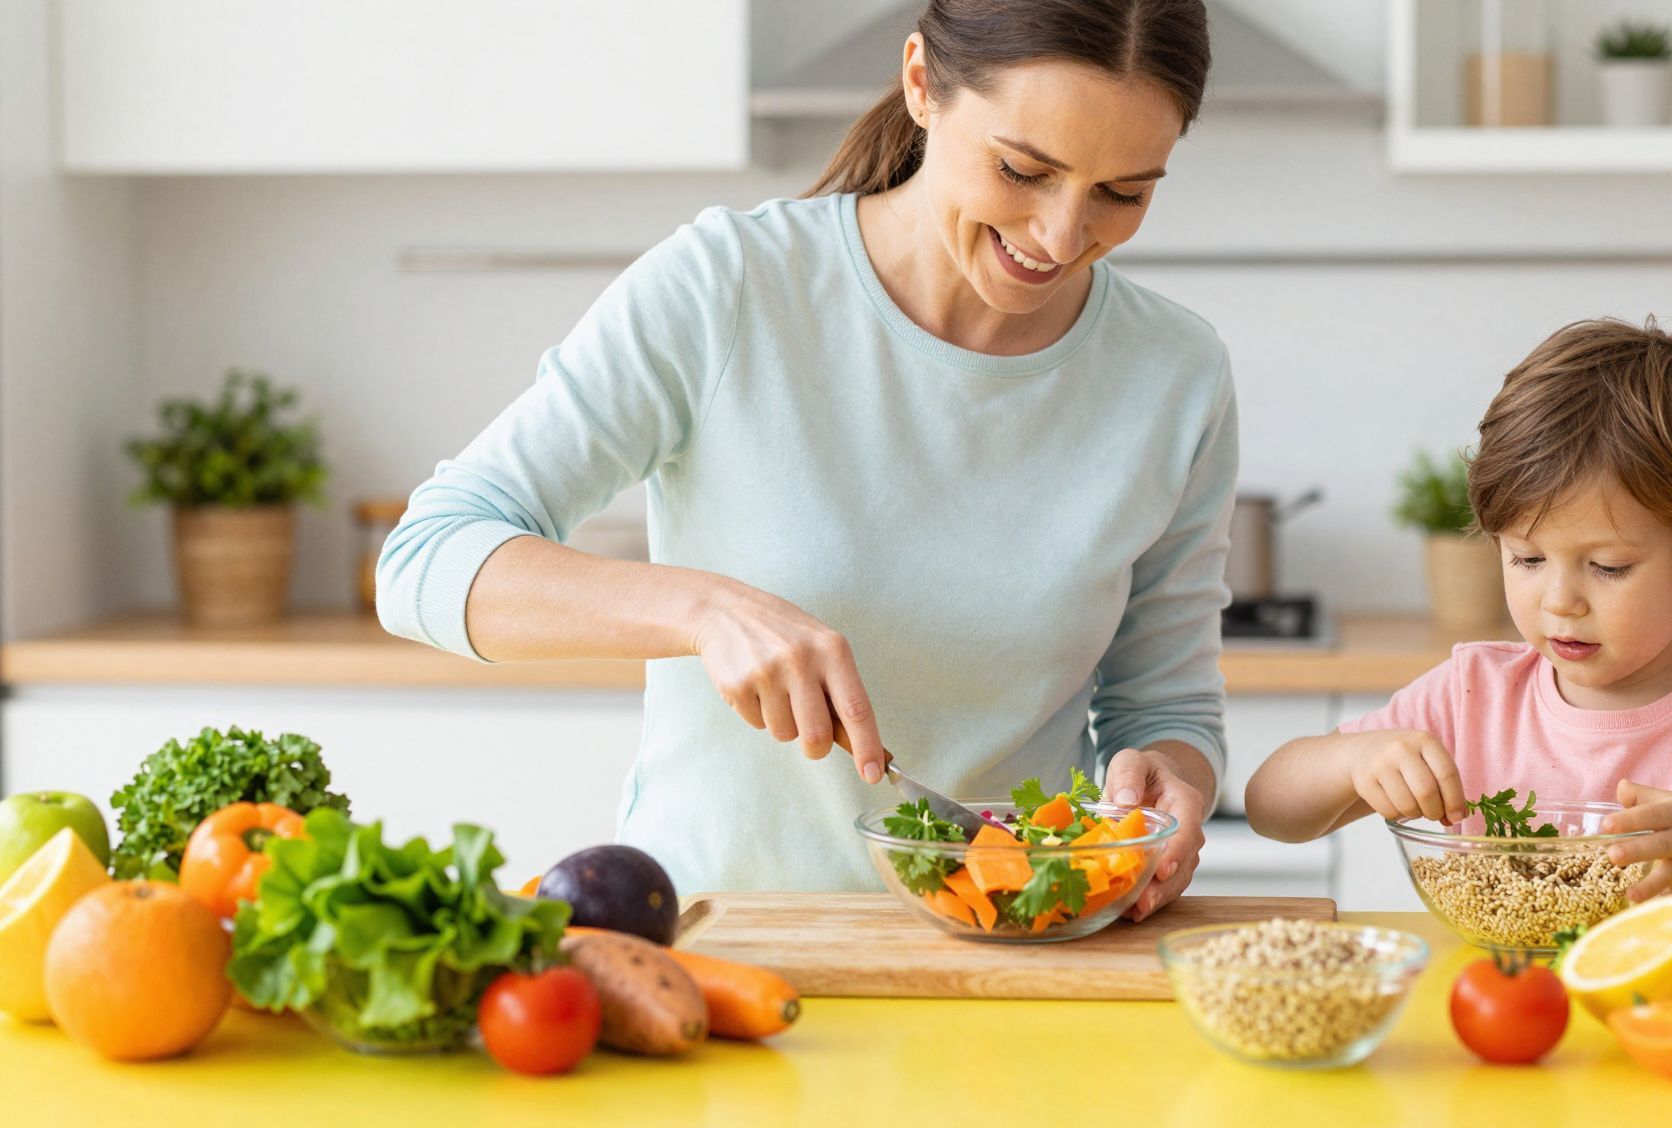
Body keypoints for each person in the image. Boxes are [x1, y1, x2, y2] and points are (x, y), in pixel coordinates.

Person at [378, 0, 1231, 918]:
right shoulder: (731, 286)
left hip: (1005, 954)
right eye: (1023, 169)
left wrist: (1171, 785)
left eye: (1124, 192)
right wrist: (703, 609)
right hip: (719, 945)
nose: (1062, 237)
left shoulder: (1173, 375)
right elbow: (425, 560)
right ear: (921, 84)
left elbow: (1165, 711)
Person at [1246, 318, 1672, 900]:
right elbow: (1271, 807)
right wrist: (1354, 761)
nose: (1559, 601)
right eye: (1527, 560)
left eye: (1608, 566)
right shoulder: (1475, 695)